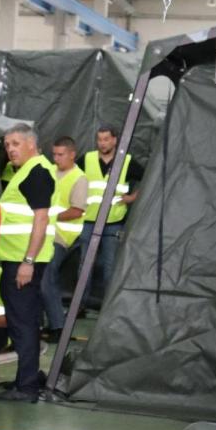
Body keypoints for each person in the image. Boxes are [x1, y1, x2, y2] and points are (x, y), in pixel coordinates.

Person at [0, 124, 56, 403]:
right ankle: (24, 378)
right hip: (15, 259)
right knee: (20, 321)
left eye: (16, 143)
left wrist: (27, 262)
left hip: (23, 261)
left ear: (31, 144)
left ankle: (27, 386)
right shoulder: (27, 172)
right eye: (7, 145)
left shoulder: (37, 173)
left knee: (23, 323)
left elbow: (40, 220)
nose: (11, 149)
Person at [77, 125, 143, 308]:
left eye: (106, 139)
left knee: (109, 268)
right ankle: (79, 306)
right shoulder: (87, 159)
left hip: (114, 222)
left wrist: (131, 198)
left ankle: (108, 308)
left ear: (115, 140)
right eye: (99, 139)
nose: (102, 143)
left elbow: (148, 178)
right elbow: (72, 178)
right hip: (89, 220)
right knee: (84, 267)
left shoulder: (126, 161)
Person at [41, 137, 87, 340]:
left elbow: (77, 211)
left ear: (72, 154)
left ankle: (58, 326)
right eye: (54, 154)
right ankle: (47, 323)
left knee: (46, 277)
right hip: (45, 232)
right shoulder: (50, 171)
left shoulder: (79, 178)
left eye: (60, 155)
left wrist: (47, 215)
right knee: (45, 277)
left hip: (62, 236)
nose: (56, 158)